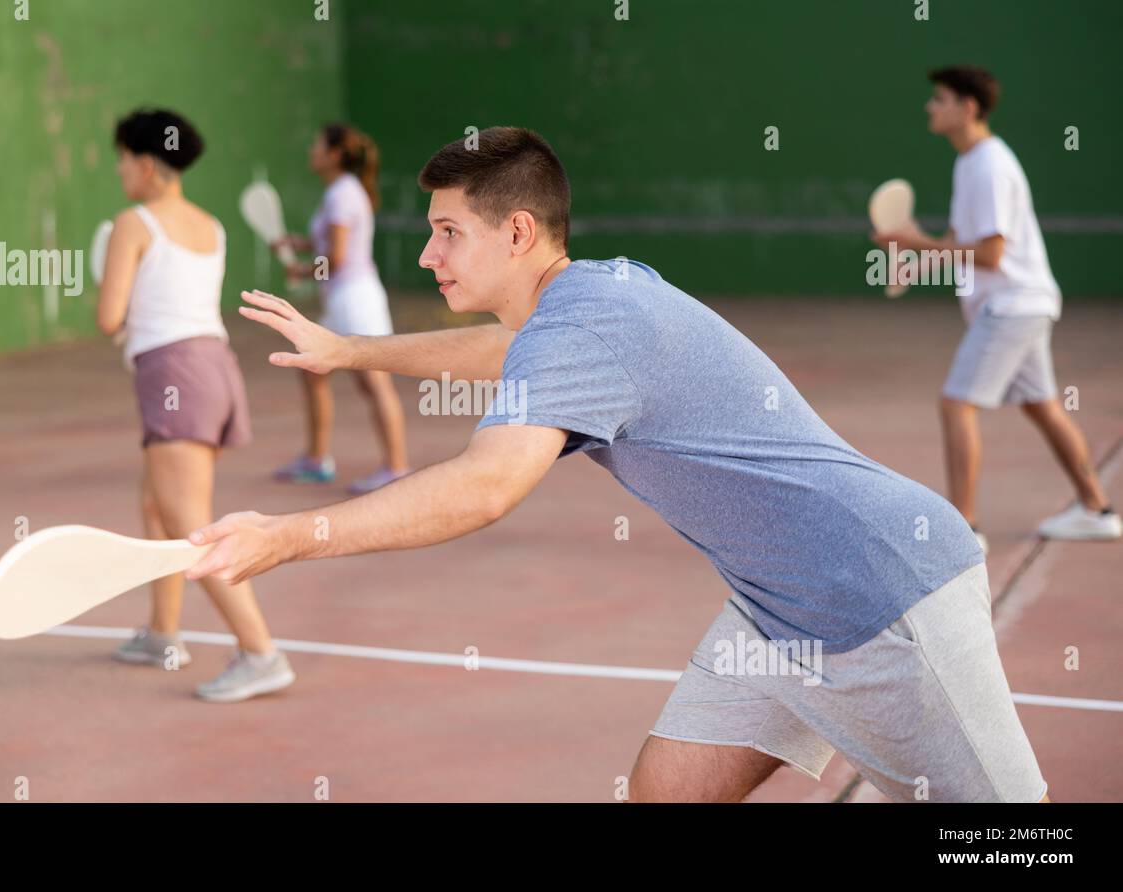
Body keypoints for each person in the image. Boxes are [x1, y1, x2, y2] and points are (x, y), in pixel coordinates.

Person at [189, 126, 1048, 802]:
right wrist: (349, 350)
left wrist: (285, 537)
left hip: (882, 594)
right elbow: (502, 353)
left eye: (447, 233)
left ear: (517, 231)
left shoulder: (584, 325)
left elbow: (485, 487)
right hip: (775, 612)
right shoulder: (592, 291)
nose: (427, 255)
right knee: (665, 792)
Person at [872, 65, 1119, 551]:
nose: (930, 107)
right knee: (1042, 405)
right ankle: (1097, 510)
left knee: (956, 402)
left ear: (967, 108)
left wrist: (913, 240)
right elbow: (962, 243)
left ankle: (965, 529)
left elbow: (990, 254)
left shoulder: (987, 165)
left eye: (939, 99)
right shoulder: (971, 162)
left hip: (1012, 307)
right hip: (1026, 302)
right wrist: (917, 262)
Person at [94, 107, 294, 702]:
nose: (120, 169)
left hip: (173, 372)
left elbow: (109, 318)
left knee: (188, 522)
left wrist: (114, 294)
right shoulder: (212, 226)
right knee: (157, 504)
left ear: (147, 165)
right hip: (214, 368)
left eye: (124, 158)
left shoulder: (132, 223)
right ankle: (163, 634)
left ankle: (261, 652)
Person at [270, 123, 410, 494]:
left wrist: (301, 269)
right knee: (312, 370)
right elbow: (328, 244)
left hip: (355, 299)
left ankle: (396, 468)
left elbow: (338, 257)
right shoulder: (342, 192)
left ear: (333, 154)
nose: (311, 151)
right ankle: (316, 460)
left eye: (317, 145)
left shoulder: (342, 195)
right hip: (341, 300)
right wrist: (296, 243)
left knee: (374, 381)